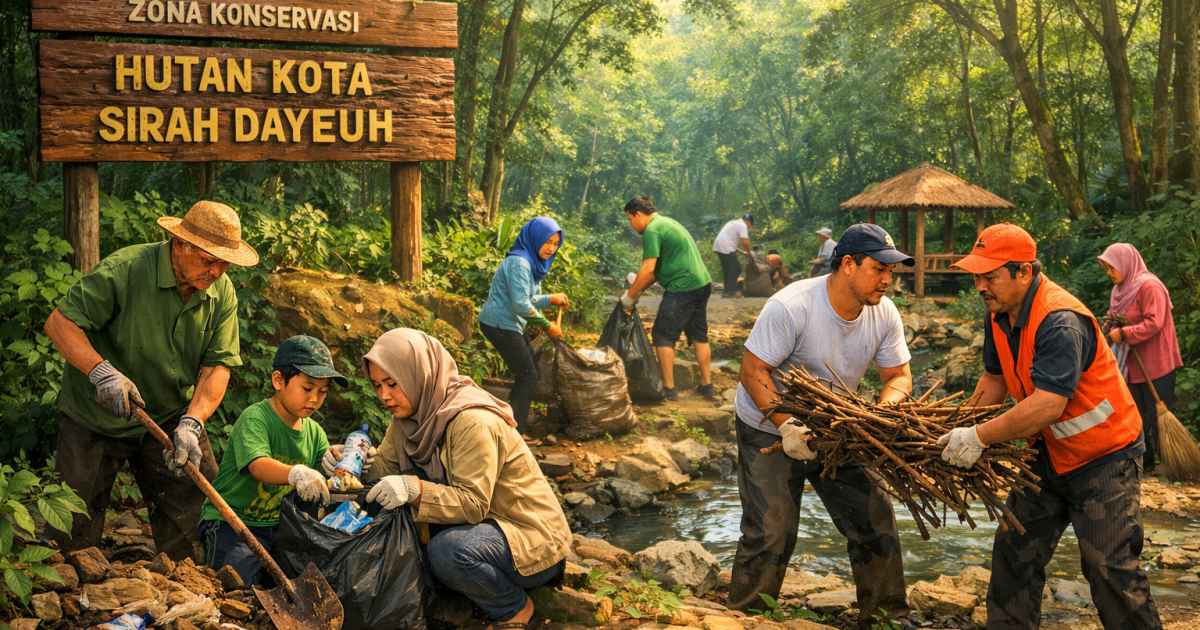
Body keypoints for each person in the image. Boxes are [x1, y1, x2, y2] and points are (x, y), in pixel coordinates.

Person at [938, 224, 1160, 629]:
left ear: (1024, 272)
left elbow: (1047, 404)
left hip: (1105, 456)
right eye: (977, 276)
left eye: (990, 276)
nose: (981, 286)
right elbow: (993, 381)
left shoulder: (1059, 320)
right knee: (1014, 550)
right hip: (1048, 453)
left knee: (1109, 569)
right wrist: (957, 428)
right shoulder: (999, 314)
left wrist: (979, 437)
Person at [43, 200, 258, 561]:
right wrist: (100, 371)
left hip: (169, 414)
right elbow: (60, 324)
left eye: (225, 263)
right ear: (181, 245)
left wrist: (193, 421)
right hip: (94, 416)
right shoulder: (126, 270)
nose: (218, 271)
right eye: (209, 260)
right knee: (72, 532)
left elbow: (218, 366)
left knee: (196, 517)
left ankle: (195, 585)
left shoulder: (222, 292)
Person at [730, 223, 915, 625]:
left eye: (891, 271)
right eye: (878, 268)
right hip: (768, 423)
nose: (887, 280)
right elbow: (753, 369)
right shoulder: (792, 305)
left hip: (838, 425)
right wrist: (786, 424)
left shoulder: (884, 312)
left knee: (874, 516)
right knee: (772, 530)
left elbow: (898, 376)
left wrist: (880, 413)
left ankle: (887, 618)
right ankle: (747, 619)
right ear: (848, 264)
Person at [362, 328, 571, 630]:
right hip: (481, 532)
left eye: (393, 383)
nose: (384, 395)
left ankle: (514, 609)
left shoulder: (471, 420)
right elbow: (383, 470)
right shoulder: (409, 418)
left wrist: (413, 488)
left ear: (419, 373)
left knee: (446, 553)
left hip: (527, 537)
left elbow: (473, 504)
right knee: (411, 557)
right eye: (378, 385)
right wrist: (353, 460)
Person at [198, 335, 358, 585]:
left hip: (279, 528)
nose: (314, 399)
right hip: (233, 523)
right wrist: (296, 473)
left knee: (301, 578)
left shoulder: (314, 432)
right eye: (307, 388)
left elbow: (326, 476)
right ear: (278, 380)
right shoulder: (256, 419)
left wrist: (338, 463)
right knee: (238, 579)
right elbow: (258, 465)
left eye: (323, 392)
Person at [1098, 243, 1183, 473]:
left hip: (1157, 361)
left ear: (1125, 263)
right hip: (1132, 363)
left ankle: (1170, 464)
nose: (1109, 274)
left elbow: (1155, 322)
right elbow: (1115, 315)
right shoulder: (1119, 290)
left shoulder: (1150, 286)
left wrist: (1124, 333)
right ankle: (1143, 462)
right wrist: (1108, 325)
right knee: (1136, 412)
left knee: (1157, 414)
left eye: (1111, 268)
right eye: (1106, 269)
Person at [620, 196, 715, 401]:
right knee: (699, 334)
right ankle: (707, 385)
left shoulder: (652, 230)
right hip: (702, 283)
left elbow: (648, 270)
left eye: (630, 219)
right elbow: (652, 275)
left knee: (663, 334)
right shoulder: (668, 222)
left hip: (684, 287)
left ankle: (669, 390)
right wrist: (637, 288)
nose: (631, 224)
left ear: (637, 214)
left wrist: (629, 297)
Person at [479, 217, 569, 433]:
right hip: (499, 324)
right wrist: (548, 326)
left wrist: (551, 299)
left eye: (556, 244)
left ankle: (508, 423)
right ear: (535, 238)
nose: (551, 248)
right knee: (528, 374)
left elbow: (529, 299)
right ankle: (513, 431)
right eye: (547, 242)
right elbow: (521, 305)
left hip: (510, 324)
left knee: (528, 372)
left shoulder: (533, 263)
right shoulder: (519, 263)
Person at [713, 212, 753, 297]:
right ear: (749, 222)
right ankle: (730, 291)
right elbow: (745, 242)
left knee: (728, 270)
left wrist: (743, 253)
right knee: (736, 269)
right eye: (750, 226)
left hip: (719, 245)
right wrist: (749, 254)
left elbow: (731, 244)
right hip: (725, 247)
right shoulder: (743, 225)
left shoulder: (733, 223)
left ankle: (727, 292)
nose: (749, 228)